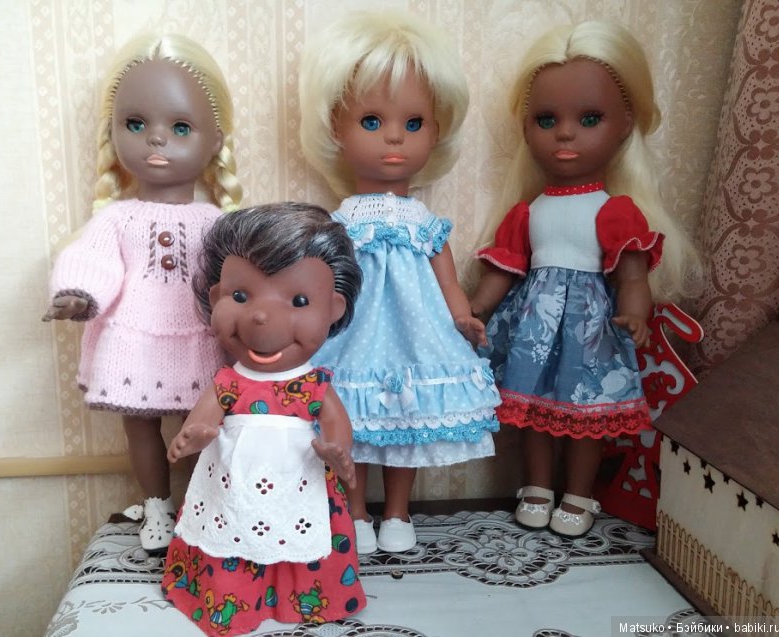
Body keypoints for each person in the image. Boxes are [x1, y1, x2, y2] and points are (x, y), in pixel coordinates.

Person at [471, 21, 700, 537]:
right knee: (534, 415)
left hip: (592, 330)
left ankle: (578, 494)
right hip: (534, 331)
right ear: (527, 127)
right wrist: (475, 310)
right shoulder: (528, 211)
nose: (565, 133)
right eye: (546, 119)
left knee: (587, 419)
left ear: (624, 125)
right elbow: (503, 270)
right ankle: (536, 487)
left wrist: (635, 312)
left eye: (589, 118)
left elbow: (631, 274)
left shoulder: (614, 210)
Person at [299, 10, 500, 555]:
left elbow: (447, 279)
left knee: (407, 425)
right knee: (352, 422)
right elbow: (323, 283)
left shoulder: (425, 223)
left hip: (416, 339)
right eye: (371, 121)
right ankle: (355, 512)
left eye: (414, 124)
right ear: (335, 130)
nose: (394, 137)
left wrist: (462, 316)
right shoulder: (338, 223)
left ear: (436, 132)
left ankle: (397, 512)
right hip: (354, 337)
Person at [42, 33, 241, 553]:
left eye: (180, 128)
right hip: (133, 337)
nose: (156, 140)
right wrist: (78, 293)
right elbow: (95, 260)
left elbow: (240, 281)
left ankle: (202, 507)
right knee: (141, 426)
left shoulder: (215, 221)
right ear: (113, 134)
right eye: (135, 124)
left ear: (215, 142)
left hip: (199, 337)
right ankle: (157, 505)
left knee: (204, 424)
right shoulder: (117, 217)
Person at [162, 203, 366, 636]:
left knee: (303, 537)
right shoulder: (228, 381)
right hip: (233, 481)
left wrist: (337, 449)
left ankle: (301, 599)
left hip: (299, 480)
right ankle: (234, 599)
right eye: (240, 296)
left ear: (333, 308)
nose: (260, 315)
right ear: (216, 297)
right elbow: (204, 417)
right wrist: (194, 435)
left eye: (298, 301)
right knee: (230, 532)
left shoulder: (312, 384)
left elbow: (336, 423)